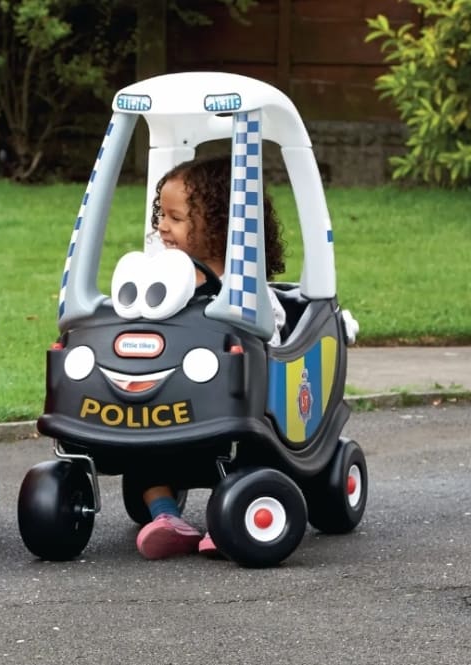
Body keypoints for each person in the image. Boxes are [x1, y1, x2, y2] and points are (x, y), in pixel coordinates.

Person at [135, 155, 288, 560]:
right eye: (160, 215)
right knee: (140, 443)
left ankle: (230, 516)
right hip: (174, 398)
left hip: (230, 406)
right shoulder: (166, 283)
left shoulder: (247, 288)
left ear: (218, 224)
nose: (162, 226)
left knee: (245, 449)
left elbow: (270, 328)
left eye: (175, 218)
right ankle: (166, 517)